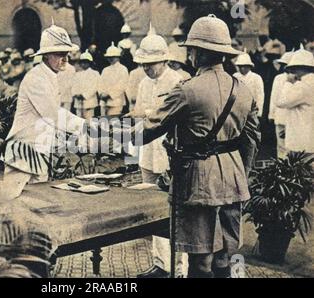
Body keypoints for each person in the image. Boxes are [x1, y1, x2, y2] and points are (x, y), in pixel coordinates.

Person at [132, 15, 260, 278]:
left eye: (190, 49)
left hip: (198, 181)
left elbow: (146, 131)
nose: (188, 53)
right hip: (234, 179)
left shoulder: (187, 90)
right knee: (227, 255)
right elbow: (251, 140)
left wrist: (101, 135)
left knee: (200, 257)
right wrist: (241, 175)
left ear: (198, 53)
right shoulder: (243, 90)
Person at [0, 24, 88, 200]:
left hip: (40, 149)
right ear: (46, 55)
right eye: (60, 54)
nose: (65, 59)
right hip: (23, 152)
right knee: (11, 204)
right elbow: (53, 115)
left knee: (39, 205)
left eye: (66, 54)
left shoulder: (50, 75)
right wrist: (86, 126)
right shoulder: (36, 78)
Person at [127, 29, 185, 278]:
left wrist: (144, 113)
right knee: (152, 208)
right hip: (147, 152)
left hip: (169, 152)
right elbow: (140, 113)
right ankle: (161, 263)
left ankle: (180, 268)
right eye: (143, 65)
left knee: (174, 211)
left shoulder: (178, 81)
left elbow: (172, 116)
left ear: (164, 59)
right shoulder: (142, 83)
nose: (147, 69)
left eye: (151, 64)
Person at [276, 47, 314, 157]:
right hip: (309, 138)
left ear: (301, 68)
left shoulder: (302, 86)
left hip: (301, 141)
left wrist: (288, 82)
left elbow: (281, 102)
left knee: (302, 172)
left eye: (294, 69)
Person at [268, 51, 294, 158]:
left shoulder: (297, 79)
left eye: (285, 64)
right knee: (281, 145)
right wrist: (271, 114)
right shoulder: (278, 78)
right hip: (280, 117)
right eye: (282, 65)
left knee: (291, 145)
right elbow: (274, 97)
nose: (284, 67)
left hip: (292, 118)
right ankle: (282, 170)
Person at [98, 43, 129, 116]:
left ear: (118, 57)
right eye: (109, 57)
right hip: (104, 102)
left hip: (116, 101)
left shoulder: (123, 69)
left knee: (114, 123)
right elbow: (100, 84)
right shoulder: (105, 70)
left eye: (113, 57)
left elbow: (122, 85)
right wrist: (101, 94)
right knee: (104, 124)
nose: (110, 59)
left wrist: (109, 95)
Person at [233, 52, 265, 117]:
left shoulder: (256, 78)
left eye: (244, 66)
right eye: (240, 66)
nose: (242, 69)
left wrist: (258, 112)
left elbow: (260, 96)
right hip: (237, 109)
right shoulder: (235, 76)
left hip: (252, 110)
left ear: (249, 66)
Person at [71, 50, 100, 120]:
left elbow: (94, 87)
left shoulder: (95, 73)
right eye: (82, 62)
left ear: (89, 63)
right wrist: (76, 94)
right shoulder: (77, 74)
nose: (83, 64)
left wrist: (84, 95)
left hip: (89, 102)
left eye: (85, 62)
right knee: (79, 122)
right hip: (78, 103)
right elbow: (73, 86)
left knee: (89, 122)